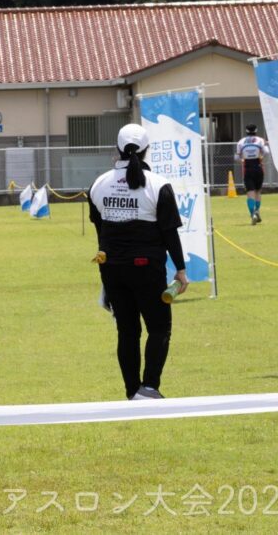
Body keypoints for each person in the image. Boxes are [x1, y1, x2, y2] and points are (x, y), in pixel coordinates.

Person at [88, 124, 189, 401]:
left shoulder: (99, 184)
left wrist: (105, 277)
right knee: (159, 327)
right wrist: (180, 270)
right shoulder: (158, 185)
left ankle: (132, 392)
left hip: (112, 268)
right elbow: (169, 233)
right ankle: (149, 387)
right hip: (147, 268)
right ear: (146, 150)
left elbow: (101, 232)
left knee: (127, 332)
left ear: (117, 149)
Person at [235, 123, 270, 225]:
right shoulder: (260, 140)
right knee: (258, 191)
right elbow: (267, 152)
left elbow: (236, 157)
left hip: (247, 167)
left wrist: (242, 160)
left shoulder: (241, 142)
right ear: (256, 130)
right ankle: (257, 211)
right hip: (258, 166)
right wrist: (261, 157)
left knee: (250, 192)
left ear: (246, 131)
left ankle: (252, 214)